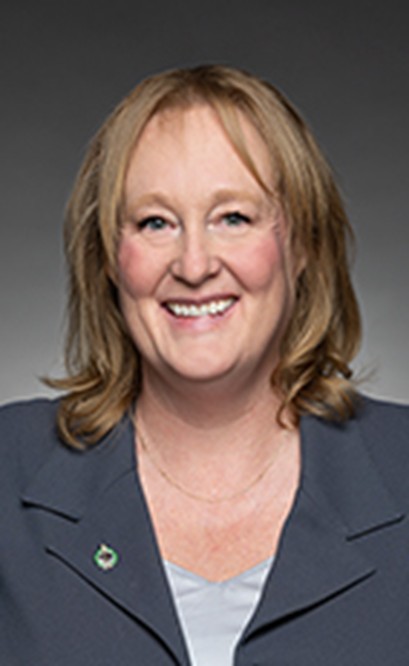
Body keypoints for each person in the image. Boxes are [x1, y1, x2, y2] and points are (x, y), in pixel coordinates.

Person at [0, 65, 408, 666]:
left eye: (233, 218)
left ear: (302, 243)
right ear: (109, 257)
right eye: (155, 222)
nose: (194, 265)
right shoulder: (7, 472)